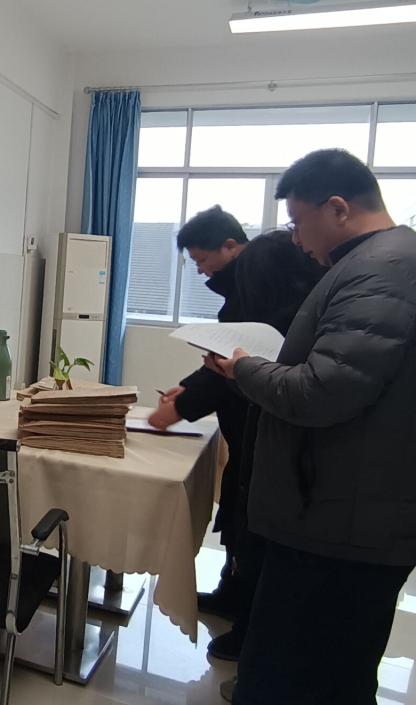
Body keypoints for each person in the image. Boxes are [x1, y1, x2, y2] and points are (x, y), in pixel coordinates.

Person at [207, 149, 416, 705]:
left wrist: (244, 368)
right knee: (328, 674)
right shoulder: (380, 263)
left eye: (299, 222)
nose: (297, 240)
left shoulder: (379, 271)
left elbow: (320, 392)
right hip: (342, 512)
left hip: (340, 526)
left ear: (339, 208)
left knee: (293, 677)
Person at [203, 230, 325, 665]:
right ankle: (239, 608)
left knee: (264, 542)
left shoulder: (303, 327)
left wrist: (239, 374)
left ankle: (252, 636)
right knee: (245, 525)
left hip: (287, 462)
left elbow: (292, 393)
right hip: (259, 443)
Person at [149, 205, 249, 620]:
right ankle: (230, 594)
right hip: (242, 429)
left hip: (260, 429)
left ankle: (243, 615)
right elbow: (220, 360)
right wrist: (187, 389)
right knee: (238, 511)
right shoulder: (242, 289)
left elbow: (237, 368)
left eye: (203, 260)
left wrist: (179, 409)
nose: (202, 271)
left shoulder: (258, 288)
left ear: (230, 246)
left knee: (249, 520)